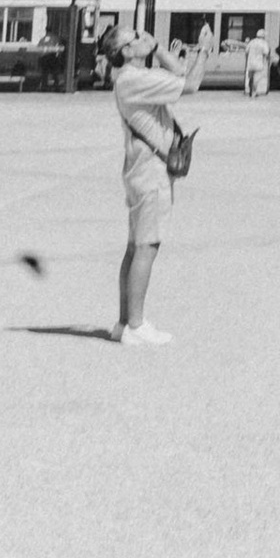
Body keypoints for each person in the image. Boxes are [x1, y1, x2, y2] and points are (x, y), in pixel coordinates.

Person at [110, 24, 204, 346]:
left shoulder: (131, 78)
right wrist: (204, 48)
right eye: (133, 38)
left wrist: (157, 46)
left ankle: (124, 322)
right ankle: (136, 327)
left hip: (140, 169)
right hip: (151, 172)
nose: (141, 37)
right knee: (147, 247)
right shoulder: (134, 79)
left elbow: (177, 70)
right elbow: (190, 82)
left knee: (135, 247)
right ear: (125, 52)